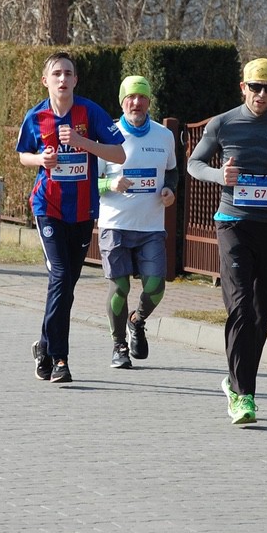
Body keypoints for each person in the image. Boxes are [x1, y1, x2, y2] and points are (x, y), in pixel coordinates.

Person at [186, 58, 267, 424]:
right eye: (255, 87)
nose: (261, 94)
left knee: (260, 312)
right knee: (241, 305)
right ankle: (244, 395)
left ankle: (235, 380)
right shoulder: (223, 123)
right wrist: (219, 175)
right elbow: (194, 164)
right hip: (233, 224)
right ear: (243, 87)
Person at [16, 52, 125, 384]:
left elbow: (119, 153)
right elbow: (23, 155)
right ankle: (59, 359)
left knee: (65, 284)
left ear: (76, 80)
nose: (62, 79)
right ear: (45, 81)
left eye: (68, 73)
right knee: (61, 276)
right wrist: (41, 160)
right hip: (48, 207)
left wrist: (82, 142)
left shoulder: (89, 112)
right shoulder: (36, 116)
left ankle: (44, 345)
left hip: (82, 210)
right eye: (56, 74)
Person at [97, 76, 178, 369]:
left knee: (156, 287)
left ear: (149, 102)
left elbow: (172, 172)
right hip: (115, 224)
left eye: (142, 97)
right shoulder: (107, 135)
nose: (136, 103)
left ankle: (137, 320)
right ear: (122, 102)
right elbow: (89, 181)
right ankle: (119, 346)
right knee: (120, 288)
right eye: (130, 97)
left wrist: (169, 189)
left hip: (150, 226)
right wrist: (110, 184)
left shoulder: (163, 136)